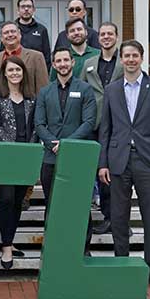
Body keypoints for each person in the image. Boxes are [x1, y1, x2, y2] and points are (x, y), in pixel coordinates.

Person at [98, 40, 150, 294]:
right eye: (126, 56)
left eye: (134, 56)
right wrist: (103, 163)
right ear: (121, 59)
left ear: (141, 58)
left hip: (148, 162)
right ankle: (122, 265)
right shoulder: (112, 90)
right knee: (119, 218)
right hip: (118, 162)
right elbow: (105, 130)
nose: (130, 60)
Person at [35, 47, 96, 256]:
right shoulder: (44, 92)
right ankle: (53, 247)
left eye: (65, 60)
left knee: (79, 204)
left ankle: (84, 247)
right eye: (58, 61)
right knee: (52, 205)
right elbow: (39, 124)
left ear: (72, 62)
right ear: (53, 64)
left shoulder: (85, 89)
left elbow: (88, 122)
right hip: (50, 158)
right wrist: (53, 143)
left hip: (76, 157)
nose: (62, 64)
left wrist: (67, 144)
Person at [0, 56, 37, 270]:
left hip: (27, 157)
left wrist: (29, 148)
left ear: (23, 73)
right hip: (6, 156)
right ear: (4, 74)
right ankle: (6, 246)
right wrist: (13, 148)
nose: (15, 73)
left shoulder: (31, 99)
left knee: (18, 201)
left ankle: (11, 239)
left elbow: (35, 126)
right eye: (11, 70)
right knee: (6, 199)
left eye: (18, 70)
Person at [79, 22, 124, 235]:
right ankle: (108, 217)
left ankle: (116, 219)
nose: (106, 37)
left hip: (118, 125)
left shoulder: (124, 63)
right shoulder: (89, 63)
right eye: (103, 34)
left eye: (110, 34)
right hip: (95, 124)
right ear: (98, 38)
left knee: (116, 174)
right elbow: (80, 91)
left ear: (116, 37)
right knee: (101, 174)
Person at [0, 21, 49, 98]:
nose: (10, 35)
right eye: (6, 33)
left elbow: (43, 90)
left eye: (13, 31)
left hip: (28, 108)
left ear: (19, 35)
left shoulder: (36, 57)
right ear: (1, 38)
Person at [50, 17, 100, 81]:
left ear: (86, 32)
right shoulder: (61, 57)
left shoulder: (98, 54)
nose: (76, 33)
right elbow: (52, 83)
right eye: (72, 31)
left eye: (79, 29)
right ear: (67, 36)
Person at [8, 0, 52, 69]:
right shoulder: (10, 29)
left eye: (29, 6)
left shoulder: (42, 30)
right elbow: (3, 52)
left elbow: (46, 56)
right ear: (18, 10)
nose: (26, 9)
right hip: (14, 71)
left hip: (36, 71)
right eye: (23, 7)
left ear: (34, 10)